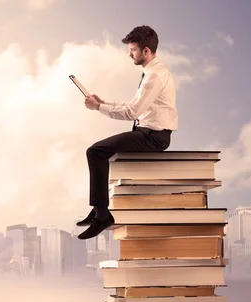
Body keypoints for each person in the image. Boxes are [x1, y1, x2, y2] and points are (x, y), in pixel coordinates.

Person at [76, 25, 178, 240]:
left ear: (146, 51)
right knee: (98, 152)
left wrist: (97, 108)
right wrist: (105, 102)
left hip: (153, 137)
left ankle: (102, 215)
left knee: (95, 152)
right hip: (146, 131)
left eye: (132, 49)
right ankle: (99, 210)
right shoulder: (153, 72)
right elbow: (135, 104)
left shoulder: (154, 77)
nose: (129, 53)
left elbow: (132, 112)